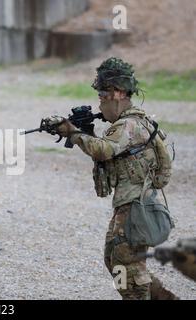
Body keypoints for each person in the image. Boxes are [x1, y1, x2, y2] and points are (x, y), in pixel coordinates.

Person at [43, 57, 178, 300]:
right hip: (129, 203)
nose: (101, 100)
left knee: (126, 265)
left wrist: (72, 133)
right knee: (114, 259)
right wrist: (84, 131)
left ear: (118, 93)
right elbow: (108, 151)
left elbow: (103, 150)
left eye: (104, 93)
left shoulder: (128, 125)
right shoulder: (128, 124)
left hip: (135, 206)